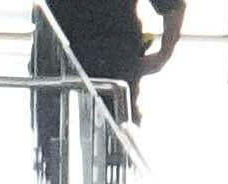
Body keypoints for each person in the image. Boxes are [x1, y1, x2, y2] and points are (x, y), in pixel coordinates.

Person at [35, 0, 183, 168]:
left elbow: (174, 7)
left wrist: (163, 55)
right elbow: (173, 8)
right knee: (58, 154)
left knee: (108, 154)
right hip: (95, 59)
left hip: (99, 62)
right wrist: (163, 55)